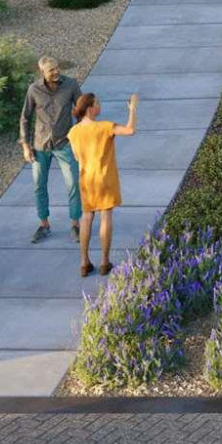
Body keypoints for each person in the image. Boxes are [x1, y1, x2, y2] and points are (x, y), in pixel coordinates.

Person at [67, 89, 137, 278]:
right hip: (105, 178)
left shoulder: (73, 132)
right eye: (97, 103)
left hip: (86, 179)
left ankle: (84, 262)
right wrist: (132, 109)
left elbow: (75, 156)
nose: (100, 106)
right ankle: (104, 262)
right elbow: (130, 130)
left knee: (87, 218)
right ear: (90, 109)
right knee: (105, 218)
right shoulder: (105, 127)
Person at [20, 55, 82, 245]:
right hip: (40, 145)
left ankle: (75, 224)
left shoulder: (71, 85)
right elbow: (25, 118)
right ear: (42, 72)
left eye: (57, 68)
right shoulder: (34, 90)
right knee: (39, 185)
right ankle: (44, 224)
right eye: (51, 70)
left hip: (65, 143)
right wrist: (25, 146)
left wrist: (80, 140)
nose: (56, 72)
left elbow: (81, 112)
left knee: (72, 184)